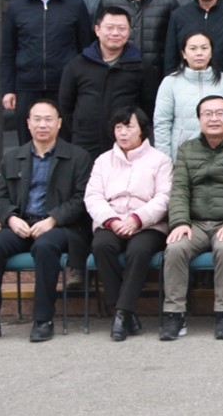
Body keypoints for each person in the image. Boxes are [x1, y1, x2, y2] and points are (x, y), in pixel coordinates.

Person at [0, 100, 93, 345]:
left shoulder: (78, 157)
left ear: (59, 123)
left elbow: (82, 199)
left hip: (61, 227)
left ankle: (43, 320)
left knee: (45, 246)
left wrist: (53, 219)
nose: (42, 125)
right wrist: (11, 218)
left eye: (48, 119)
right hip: (22, 224)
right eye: (37, 119)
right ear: (28, 123)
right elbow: (0, 197)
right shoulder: (13, 157)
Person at [160, 95, 223, 341]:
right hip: (195, 223)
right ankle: (175, 315)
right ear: (199, 119)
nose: (214, 119)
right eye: (207, 114)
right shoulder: (187, 149)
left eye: (220, 113)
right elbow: (179, 190)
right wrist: (179, 221)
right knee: (175, 248)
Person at [85, 106, 171, 342]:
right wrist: (112, 220)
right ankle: (124, 313)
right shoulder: (103, 161)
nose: (123, 133)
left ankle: (121, 313)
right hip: (111, 221)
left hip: (148, 224)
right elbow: (93, 196)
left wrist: (136, 219)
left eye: (129, 127)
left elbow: (164, 198)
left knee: (139, 250)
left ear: (142, 130)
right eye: (118, 127)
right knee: (102, 246)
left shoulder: (160, 160)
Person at [1, 0, 94, 145]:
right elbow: (8, 51)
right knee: (28, 144)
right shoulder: (17, 7)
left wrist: (83, 86)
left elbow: (85, 49)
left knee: (65, 142)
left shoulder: (75, 5)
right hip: (27, 86)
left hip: (65, 86)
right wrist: (8, 89)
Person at [59, 6, 152, 159]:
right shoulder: (77, 65)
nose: (115, 33)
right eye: (109, 28)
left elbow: (148, 106)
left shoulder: (141, 66)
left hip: (126, 145)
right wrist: (79, 128)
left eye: (122, 28)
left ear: (129, 31)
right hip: (85, 143)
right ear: (97, 30)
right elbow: (65, 106)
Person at [98, 0, 180, 90]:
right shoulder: (108, 1)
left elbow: (174, 48)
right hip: (115, 78)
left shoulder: (168, 4)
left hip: (155, 80)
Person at [153, 31, 223, 159]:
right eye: (193, 48)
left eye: (204, 48)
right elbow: (162, 123)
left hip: (220, 156)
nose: (199, 53)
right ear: (184, 54)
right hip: (182, 156)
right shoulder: (170, 82)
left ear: (211, 52)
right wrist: (164, 160)